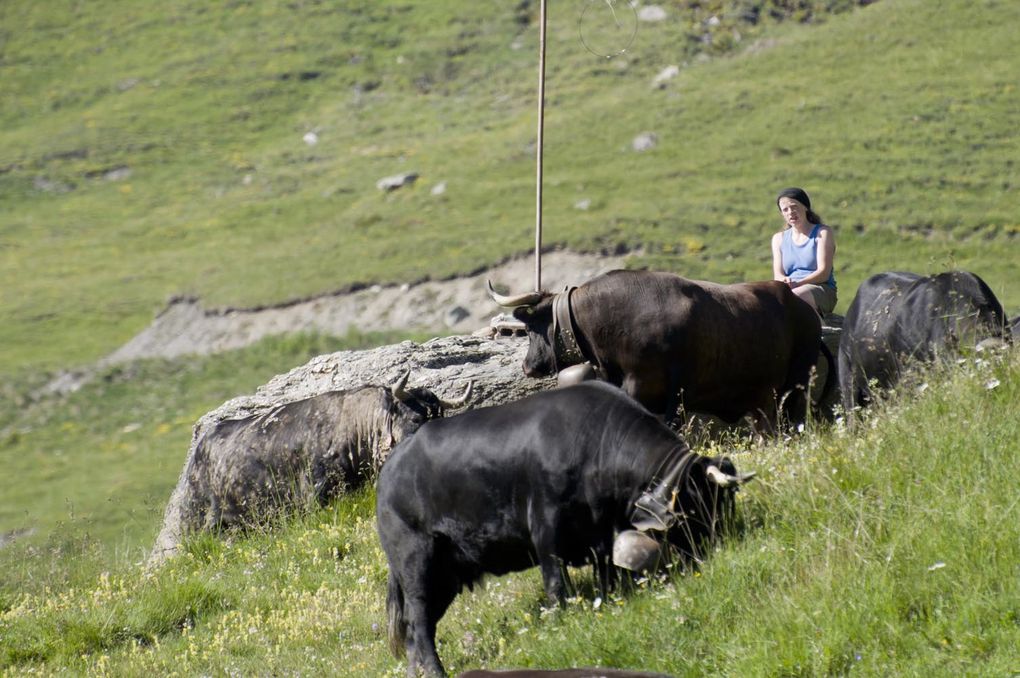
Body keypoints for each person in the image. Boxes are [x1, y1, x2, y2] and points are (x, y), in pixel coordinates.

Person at [770, 187, 837, 315]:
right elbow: (778, 275)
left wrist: (797, 284)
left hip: (821, 289)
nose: (790, 212)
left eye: (794, 206)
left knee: (795, 297)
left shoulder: (823, 232)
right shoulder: (778, 239)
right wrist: (786, 281)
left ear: (806, 207)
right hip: (789, 290)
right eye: (785, 209)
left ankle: (819, 331)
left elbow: (823, 273)